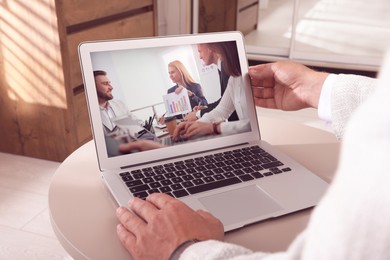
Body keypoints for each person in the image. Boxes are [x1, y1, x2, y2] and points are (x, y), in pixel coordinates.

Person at [115, 55, 390, 259]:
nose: (199, 55)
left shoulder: (213, 78)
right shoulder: (231, 73)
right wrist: (317, 88)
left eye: (199, 51)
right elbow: (220, 111)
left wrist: (186, 252)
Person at [173, 41, 251, 140]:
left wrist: (213, 127)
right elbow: (222, 110)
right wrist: (195, 125)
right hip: (241, 137)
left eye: (200, 51)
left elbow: (251, 124)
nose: (200, 57)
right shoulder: (233, 77)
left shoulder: (243, 72)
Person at [184, 43, 238, 122]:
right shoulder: (221, 68)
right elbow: (225, 98)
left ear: (210, 49)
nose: (200, 57)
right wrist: (206, 108)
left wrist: (198, 114)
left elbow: (228, 103)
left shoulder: (226, 66)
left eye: (200, 51)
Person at [94, 70, 141, 135]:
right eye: (105, 84)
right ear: (93, 87)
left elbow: (136, 122)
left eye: (109, 83)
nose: (111, 87)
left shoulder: (120, 104)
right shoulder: (89, 114)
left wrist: (148, 126)